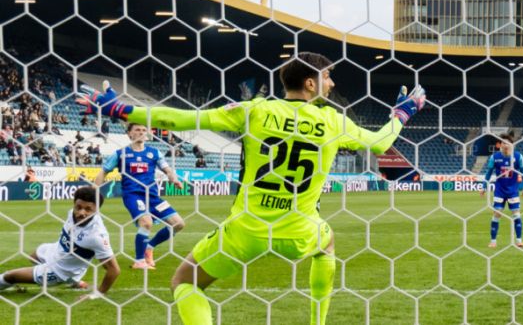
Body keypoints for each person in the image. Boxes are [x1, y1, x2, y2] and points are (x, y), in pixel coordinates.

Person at [77, 52, 425, 325]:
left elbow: (183, 119)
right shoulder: (334, 122)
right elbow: (380, 144)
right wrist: (403, 112)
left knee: (183, 282)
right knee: (327, 241)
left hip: (245, 230)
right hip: (298, 231)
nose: (332, 83)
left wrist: (121, 109)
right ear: (309, 83)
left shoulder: (254, 111)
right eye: (328, 76)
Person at [0, 186, 119, 300]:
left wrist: (97, 295)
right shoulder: (71, 214)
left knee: (10, 276)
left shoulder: (96, 236)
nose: (82, 212)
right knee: (32, 256)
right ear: (74, 204)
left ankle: (65, 278)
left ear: (97, 210)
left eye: (88, 209)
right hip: (54, 250)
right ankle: (74, 281)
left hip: (59, 271)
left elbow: (114, 270)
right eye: (78, 207)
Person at [95, 123, 186, 270]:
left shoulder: (154, 153)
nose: (141, 132)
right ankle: (139, 261)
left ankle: (149, 247)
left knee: (178, 224)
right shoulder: (120, 153)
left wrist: (174, 179)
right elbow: (103, 172)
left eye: (144, 130)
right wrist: (94, 191)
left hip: (153, 196)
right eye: (137, 130)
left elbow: (168, 169)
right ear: (129, 134)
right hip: (133, 195)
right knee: (146, 222)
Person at [481, 132, 523, 248]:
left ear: (512, 145)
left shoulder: (518, 156)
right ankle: (493, 241)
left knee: (516, 214)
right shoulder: (494, 157)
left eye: (508, 143)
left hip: (513, 191)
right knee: (497, 213)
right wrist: (484, 186)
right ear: (500, 145)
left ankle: (519, 240)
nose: (506, 145)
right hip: (500, 190)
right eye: (503, 143)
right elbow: (488, 173)